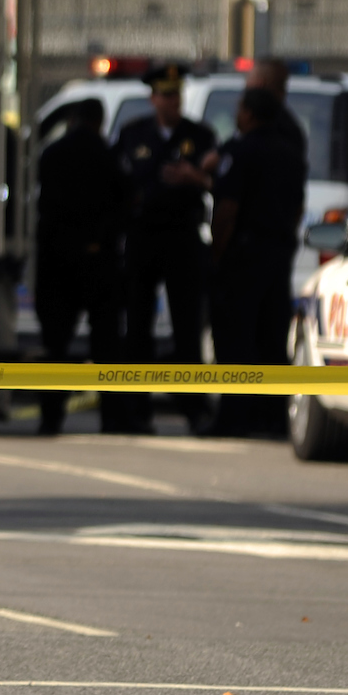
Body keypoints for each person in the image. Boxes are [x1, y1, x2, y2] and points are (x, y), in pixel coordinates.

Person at [112, 63, 219, 433]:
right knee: (138, 326)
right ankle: (136, 411)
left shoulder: (200, 135)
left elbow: (219, 184)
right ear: (153, 97)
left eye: (176, 94)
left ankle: (193, 406)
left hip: (182, 237)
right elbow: (117, 186)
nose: (172, 101)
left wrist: (196, 177)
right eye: (165, 94)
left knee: (187, 326)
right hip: (143, 238)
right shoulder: (132, 134)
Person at [207, 85, 307, 435]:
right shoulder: (291, 154)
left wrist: (218, 256)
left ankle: (234, 417)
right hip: (278, 254)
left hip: (244, 256)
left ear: (248, 114)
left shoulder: (241, 151)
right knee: (271, 337)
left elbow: (227, 210)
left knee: (235, 339)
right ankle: (273, 417)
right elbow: (297, 208)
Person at [32, 98, 124, 435]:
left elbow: (44, 206)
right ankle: (112, 419)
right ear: (99, 121)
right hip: (98, 263)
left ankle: (50, 419)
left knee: (54, 346)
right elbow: (124, 205)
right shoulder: (109, 155)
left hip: (57, 262)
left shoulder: (52, 153)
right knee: (107, 346)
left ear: (72, 120)